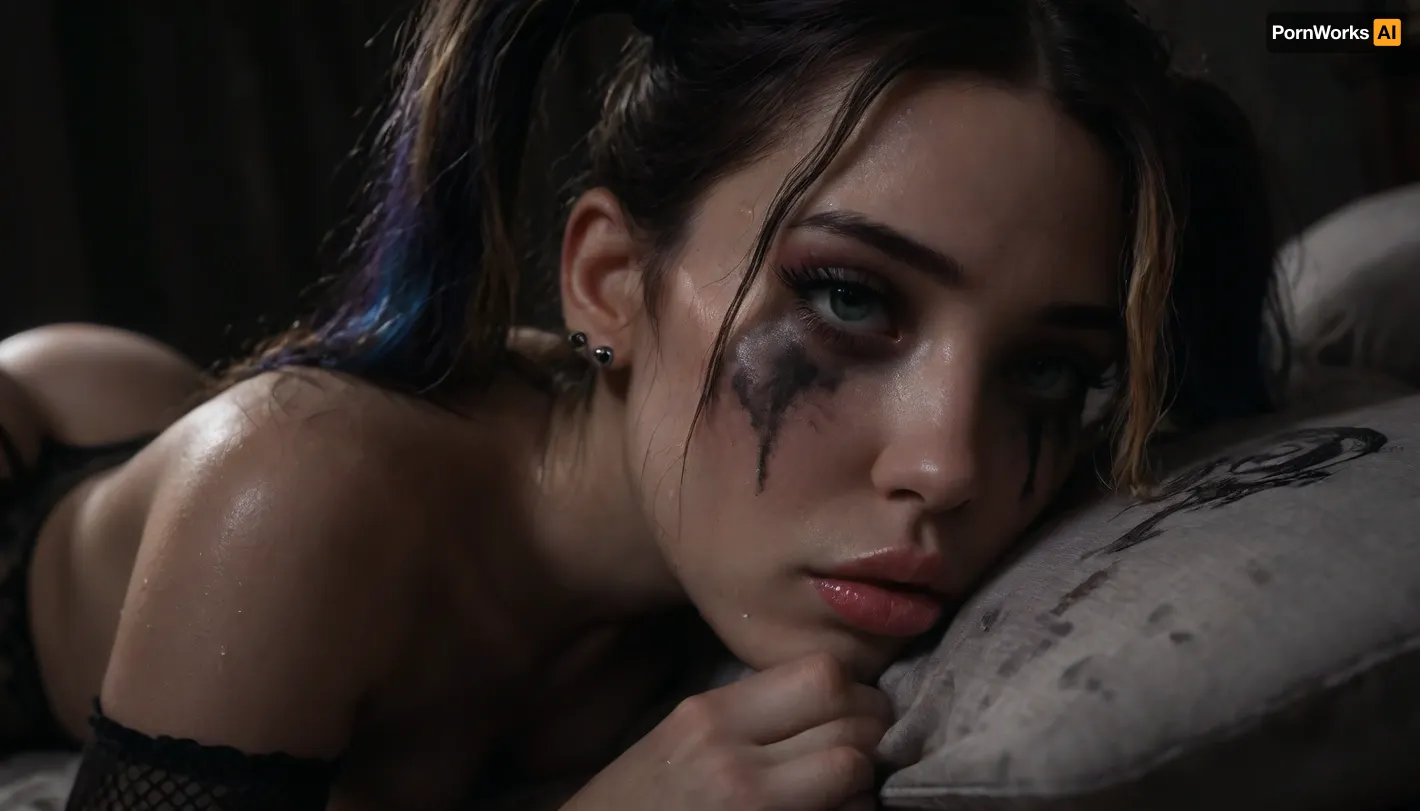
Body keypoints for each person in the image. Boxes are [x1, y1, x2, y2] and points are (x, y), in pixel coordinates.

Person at [0, 0, 1288, 808]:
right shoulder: (296, 494)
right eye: (847, 298)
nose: (949, 465)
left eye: (1046, 369)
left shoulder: (733, 568)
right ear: (610, 281)